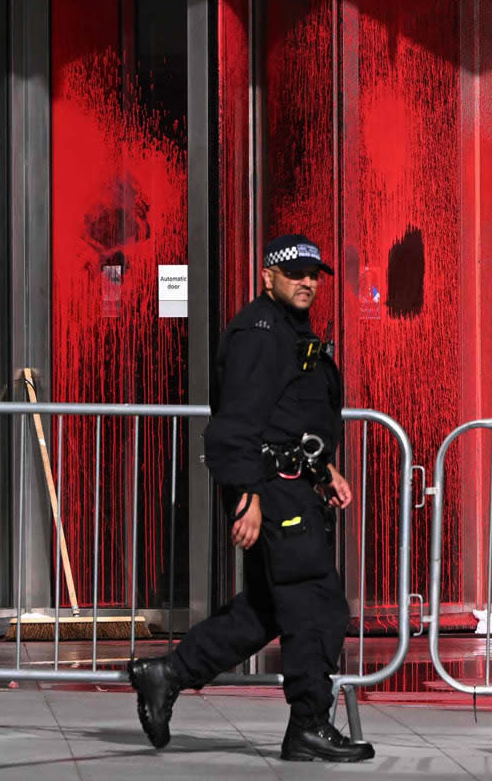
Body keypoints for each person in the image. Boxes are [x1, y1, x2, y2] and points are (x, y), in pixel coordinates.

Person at [128, 235, 373, 763]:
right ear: (267, 277)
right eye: (295, 273)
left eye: (314, 274)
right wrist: (247, 496)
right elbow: (237, 424)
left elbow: (287, 415)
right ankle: (308, 723)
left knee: (268, 608)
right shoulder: (259, 333)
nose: (307, 281)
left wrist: (323, 466)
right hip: (274, 492)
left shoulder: (286, 329)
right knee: (314, 604)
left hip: (291, 485)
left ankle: (167, 673)